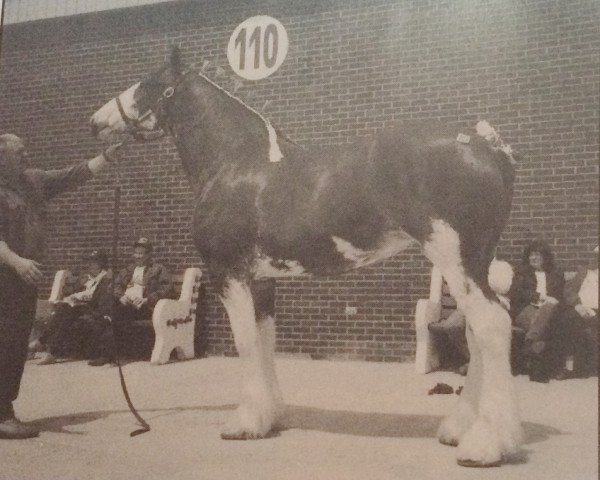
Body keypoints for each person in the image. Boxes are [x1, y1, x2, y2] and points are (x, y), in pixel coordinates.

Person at [0, 133, 121, 439]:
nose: (27, 155)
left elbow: (72, 176)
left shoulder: (34, 181)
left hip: (25, 278)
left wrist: (105, 157)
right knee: (5, 342)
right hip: (8, 275)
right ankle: (2, 416)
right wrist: (16, 261)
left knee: (15, 344)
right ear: (2, 157)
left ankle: (4, 409)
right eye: (20, 151)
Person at [88, 237, 171, 367]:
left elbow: (166, 289)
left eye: (141, 253)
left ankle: (108, 355)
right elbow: (114, 285)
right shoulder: (129, 269)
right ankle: (106, 354)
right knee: (108, 309)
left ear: (149, 255)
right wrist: (121, 296)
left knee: (111, 314)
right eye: (136, 253)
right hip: (126, 304)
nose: (137, 256)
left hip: (144, 307)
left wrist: (146, 299)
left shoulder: (158, 269)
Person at [31, 250, 113, 365]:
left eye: (95, 262)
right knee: (64, 311)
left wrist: (74, 296)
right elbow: (73, 289)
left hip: (95, 309)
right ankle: (48, 349)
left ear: (102, 264)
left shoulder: (105, 278)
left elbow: (92, 294)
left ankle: (42, 345)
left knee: (66, 311)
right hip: (81, 308)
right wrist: (72, 295)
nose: (91, 265)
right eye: (90, 262)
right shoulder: (87, 278)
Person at [508, 239, 565, 382]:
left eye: (537, 255)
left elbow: (560, 296)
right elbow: (516, 292)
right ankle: (546, 365)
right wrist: (540, 296)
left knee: (548, 310)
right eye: (531, 255)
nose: (533, 258)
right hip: (526, 310)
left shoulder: (556, 273)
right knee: (545, 323)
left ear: (545, 257)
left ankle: (530, 346)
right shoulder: (521, 272)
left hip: (550, 311)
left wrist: (552, 301)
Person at [553, 246, 598, 380]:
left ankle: (587, 367)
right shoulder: (585, 272)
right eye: (596, 256)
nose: (597, 259)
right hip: (581, 308)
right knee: (567, 320)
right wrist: (577, 305)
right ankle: (569, 368)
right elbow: (569, 289)